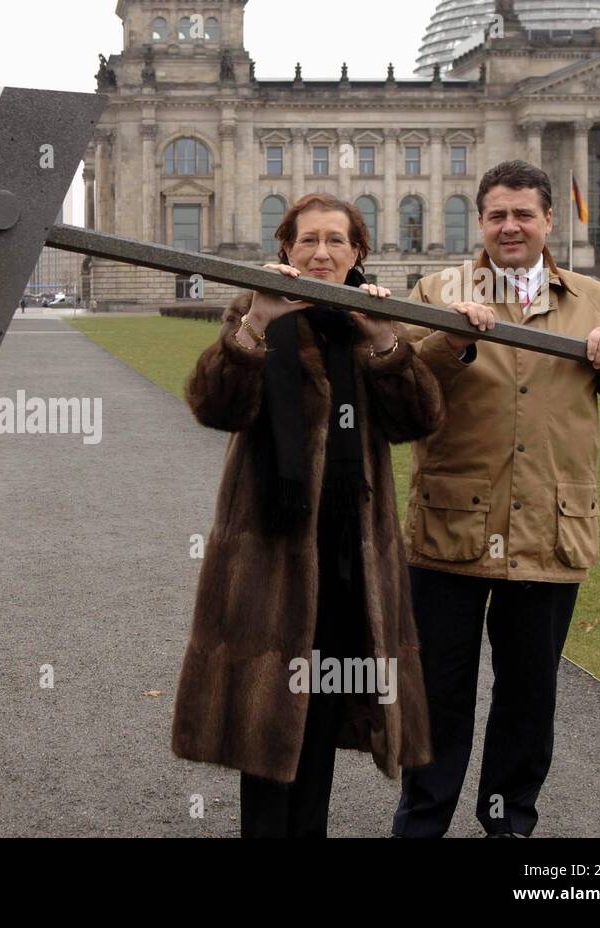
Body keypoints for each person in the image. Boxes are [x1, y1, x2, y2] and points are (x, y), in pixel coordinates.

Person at [392, 160, 600, 837]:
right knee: (437, 696)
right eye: (497, 215)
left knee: (528, 697)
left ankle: (509, 824)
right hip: (450, 529)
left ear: (549, 221)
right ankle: (422, 823)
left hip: (550, 529)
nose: (510, 226)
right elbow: (395, 393)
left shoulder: (590, 298)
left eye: (524, 214)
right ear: (480, 222)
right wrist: (447, 342)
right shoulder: (439, 289)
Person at [171, 193, 448, 838]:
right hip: (268, 554)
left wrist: (386, 341)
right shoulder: (254, 312)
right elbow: (215, 406)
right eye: (307, 241)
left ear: (358, 253)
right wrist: (256, 325)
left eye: (335, 240)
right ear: (285, 250)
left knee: (320, 718)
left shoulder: (370, 322)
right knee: (268, 728)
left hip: (351, 558)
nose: (320, 253)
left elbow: (418, 420)